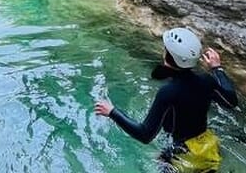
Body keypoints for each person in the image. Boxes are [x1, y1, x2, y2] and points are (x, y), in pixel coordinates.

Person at [94, 28, 238, 173]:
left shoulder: (168, 92)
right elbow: (231, 102)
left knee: (159, 160)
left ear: (167, 56)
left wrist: (112, 112)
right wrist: (217, 68)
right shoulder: (207, 81)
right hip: (208, 146)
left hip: (183, 155)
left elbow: (145, 135)